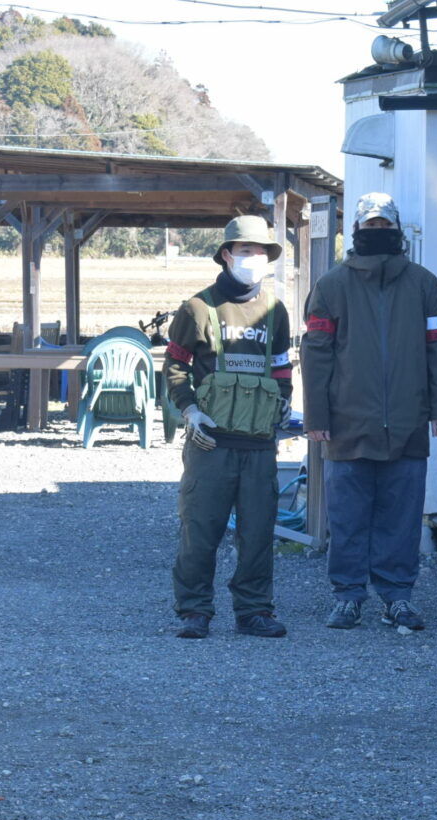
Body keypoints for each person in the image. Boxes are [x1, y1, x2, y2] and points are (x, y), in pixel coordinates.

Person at [301, 192, 437, 630]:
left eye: (384, 224)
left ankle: (397, 598)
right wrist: (316, 417)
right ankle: (348, 597)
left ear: (397, 227)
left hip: (408, 425)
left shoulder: (425, 284)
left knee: (401, 520)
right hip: (346, 426)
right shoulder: (331, 286)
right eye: (370, 225)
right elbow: (315, 353)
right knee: (347, 519)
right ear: (355, 230)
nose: (378, 231)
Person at [166, 214, 294, 640]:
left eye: (260, 252)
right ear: (226, 254)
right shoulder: (197, 308)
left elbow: (281, 368)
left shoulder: (275, 311)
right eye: (245, 250)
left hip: (258, 445)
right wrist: (189, 410)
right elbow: (174, 366)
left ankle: (254, 611)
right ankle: (194, 610)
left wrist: (283, 403)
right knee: (200, 530)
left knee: (258, 534)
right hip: (210, 443)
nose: (254, 258)